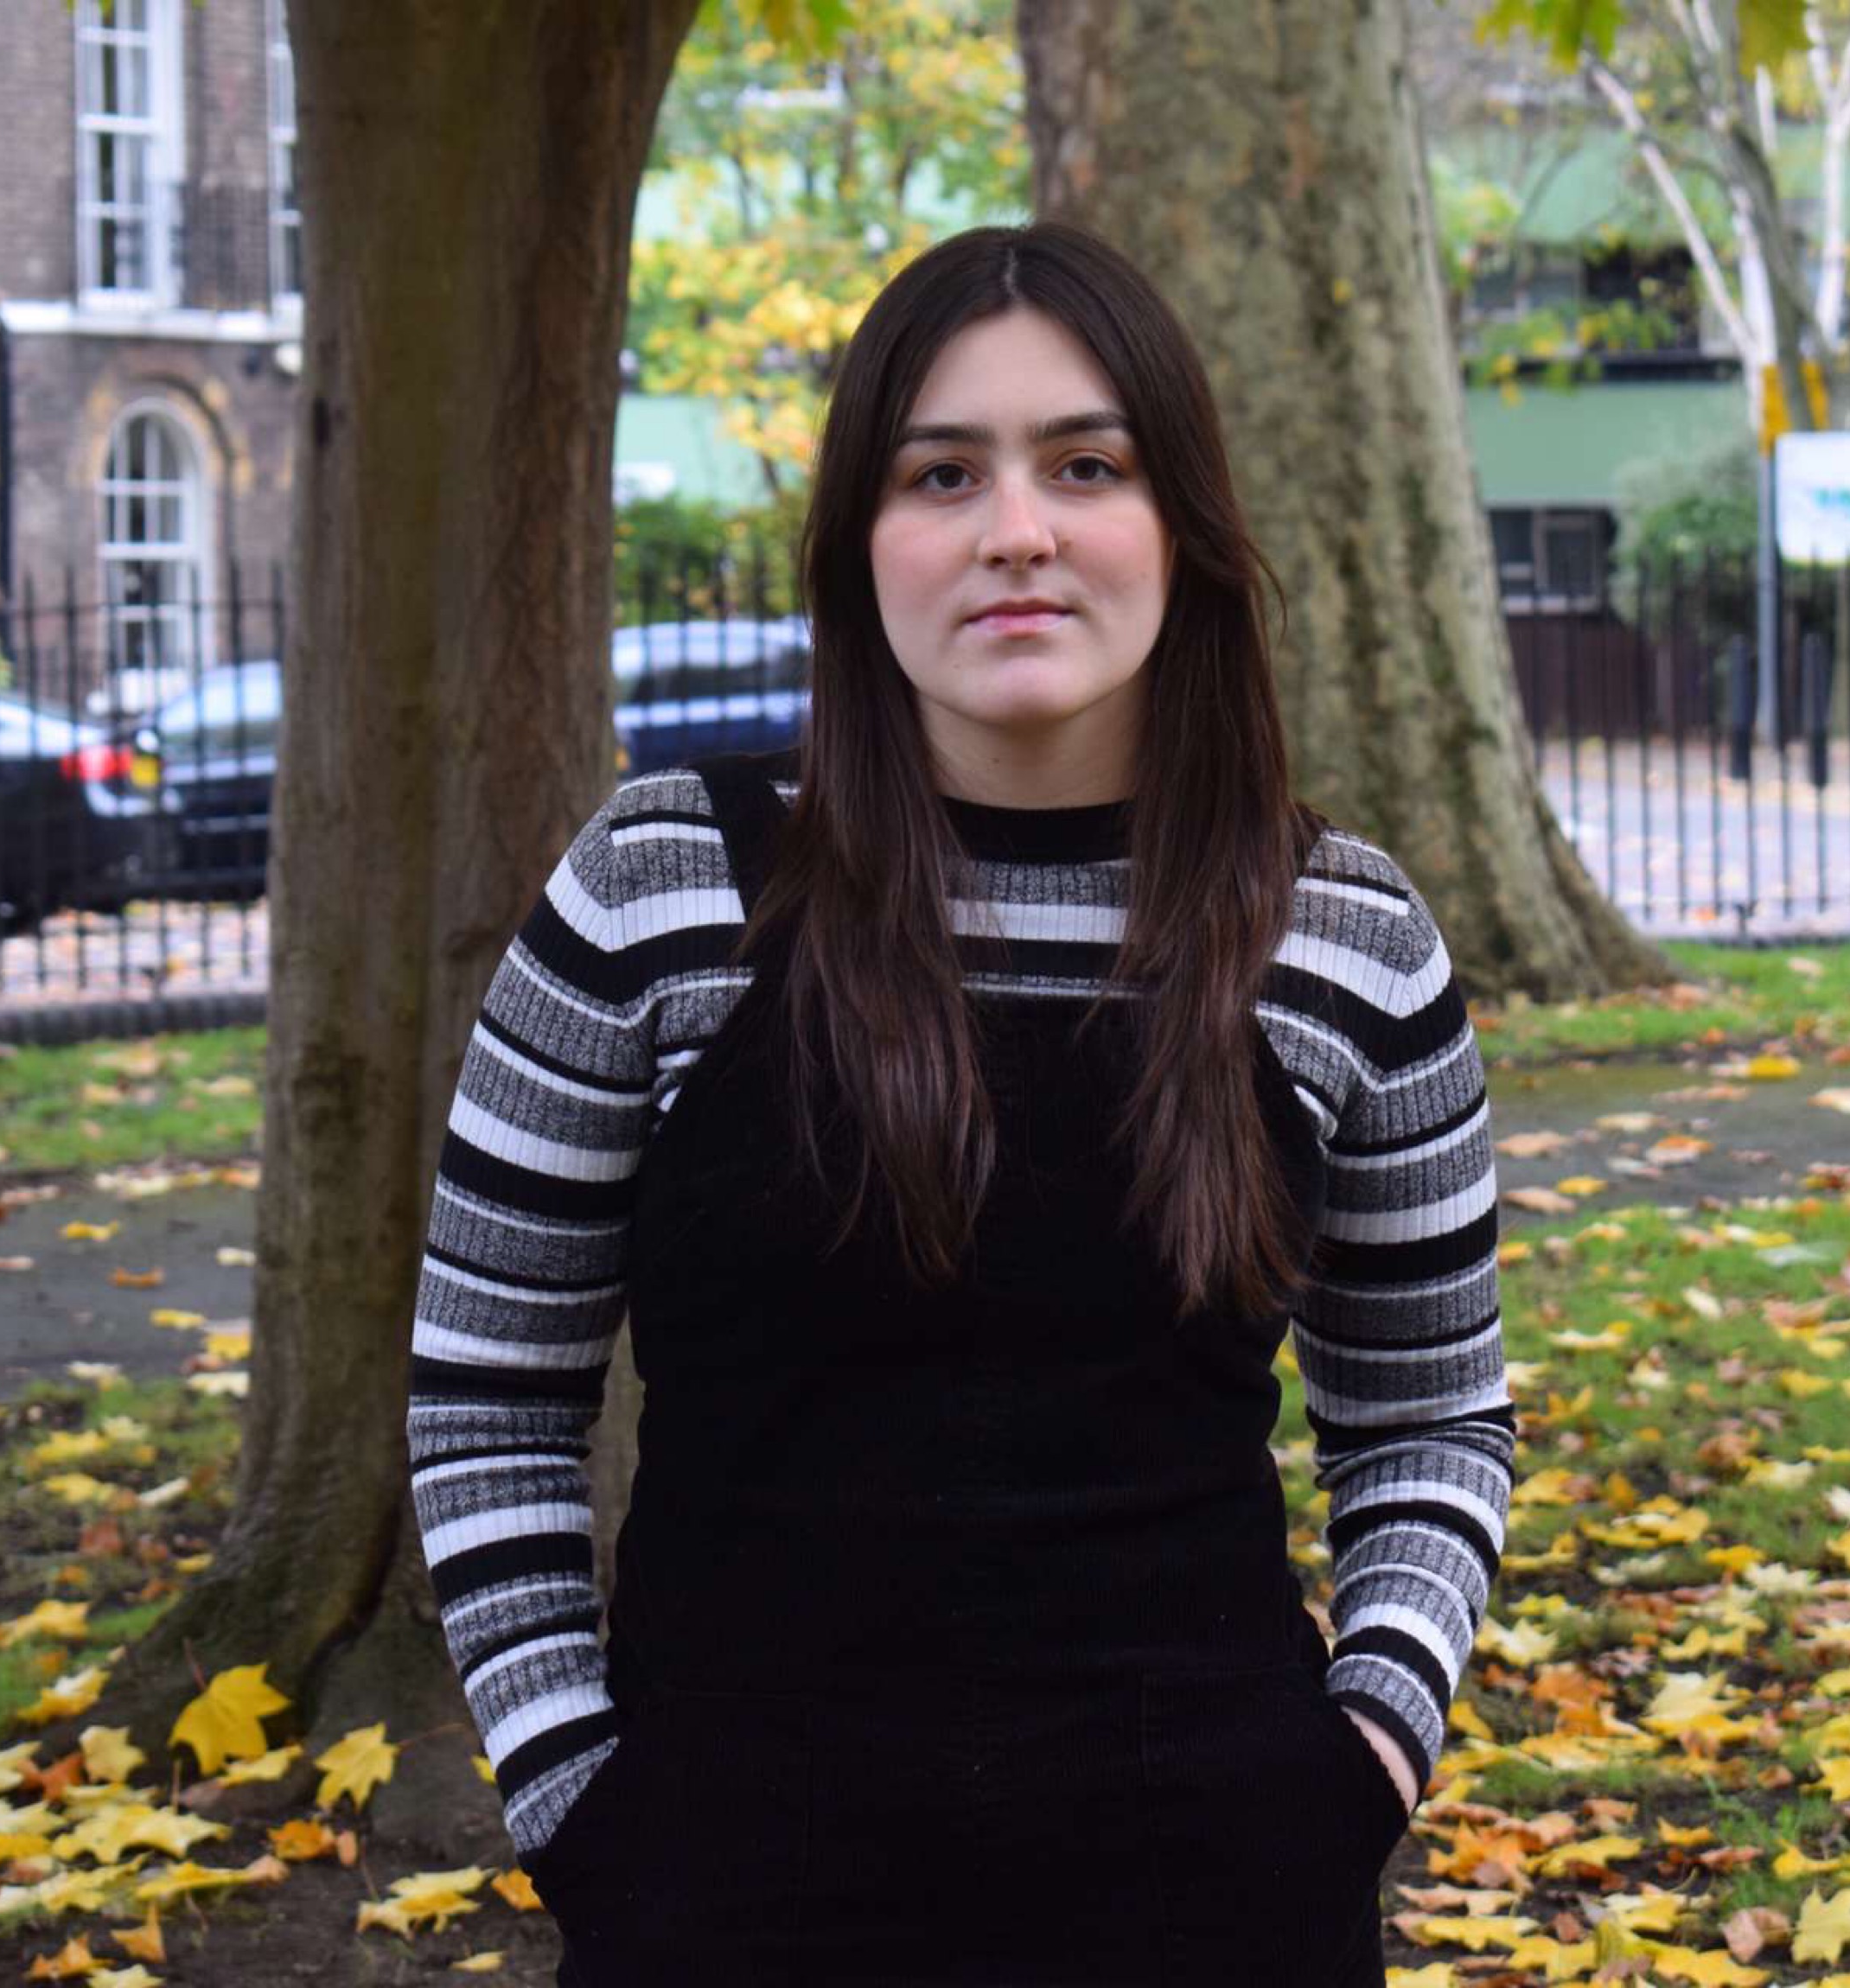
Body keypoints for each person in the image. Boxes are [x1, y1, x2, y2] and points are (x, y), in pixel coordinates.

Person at [405, 219, 1516, 1987]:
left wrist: (1362, 1761)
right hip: (728, 1905)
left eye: (1086, 464)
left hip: (1220, 1897)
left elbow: (1431, 1418)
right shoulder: (658, 892)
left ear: (1182, 524)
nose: (1017, 529)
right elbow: (485, 1397)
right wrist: (577, 1810)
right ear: (860, 543)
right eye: (942, 473)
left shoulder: (1339, 935)